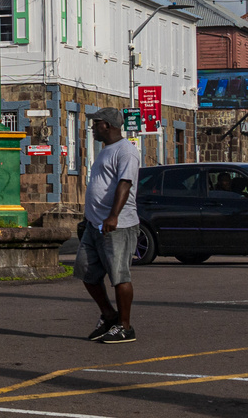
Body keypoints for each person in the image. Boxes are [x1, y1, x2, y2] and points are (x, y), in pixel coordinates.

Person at [78, 106, 141, 344]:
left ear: (109, 125)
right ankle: (109, 315)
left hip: (118, 225)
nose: (94, 128)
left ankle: (125, 326)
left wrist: (113, 216)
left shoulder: (126, 151)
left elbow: (125, 184)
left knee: (119, 276)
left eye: (97, 124)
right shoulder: (106, 151)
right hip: (95, 225)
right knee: (86, 272)